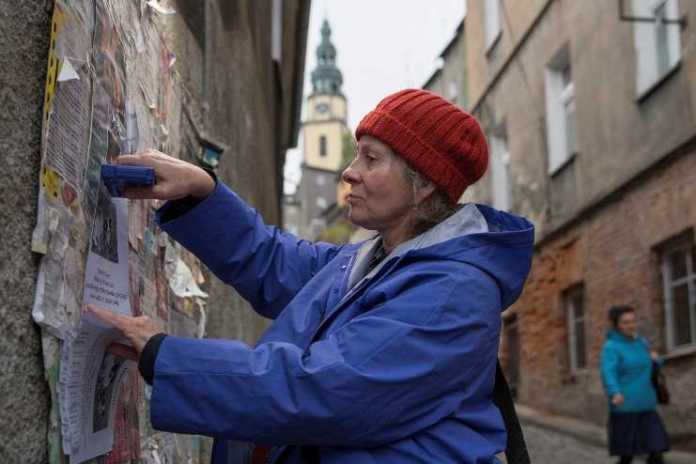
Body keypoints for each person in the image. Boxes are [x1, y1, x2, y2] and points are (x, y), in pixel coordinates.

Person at [88, 89, 535, 463]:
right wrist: (201, 193)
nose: (349, 172)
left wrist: (166, 357)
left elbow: (326, 392)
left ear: (424, 185)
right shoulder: (377, 259)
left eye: (371, 159)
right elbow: (276, 263)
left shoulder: (451, 292)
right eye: (356, 154)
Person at [600, 305, 670, 464]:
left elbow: (652, 364)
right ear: (617, 325)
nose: (631, 325)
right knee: (627, 456)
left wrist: (657, 360)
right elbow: (608, 372)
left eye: (632, 321)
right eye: (625, 322)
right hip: (625, 406)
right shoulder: (611, 346)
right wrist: (614, 392)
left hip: (646, 404)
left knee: (657, 451)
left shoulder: (641, 342)